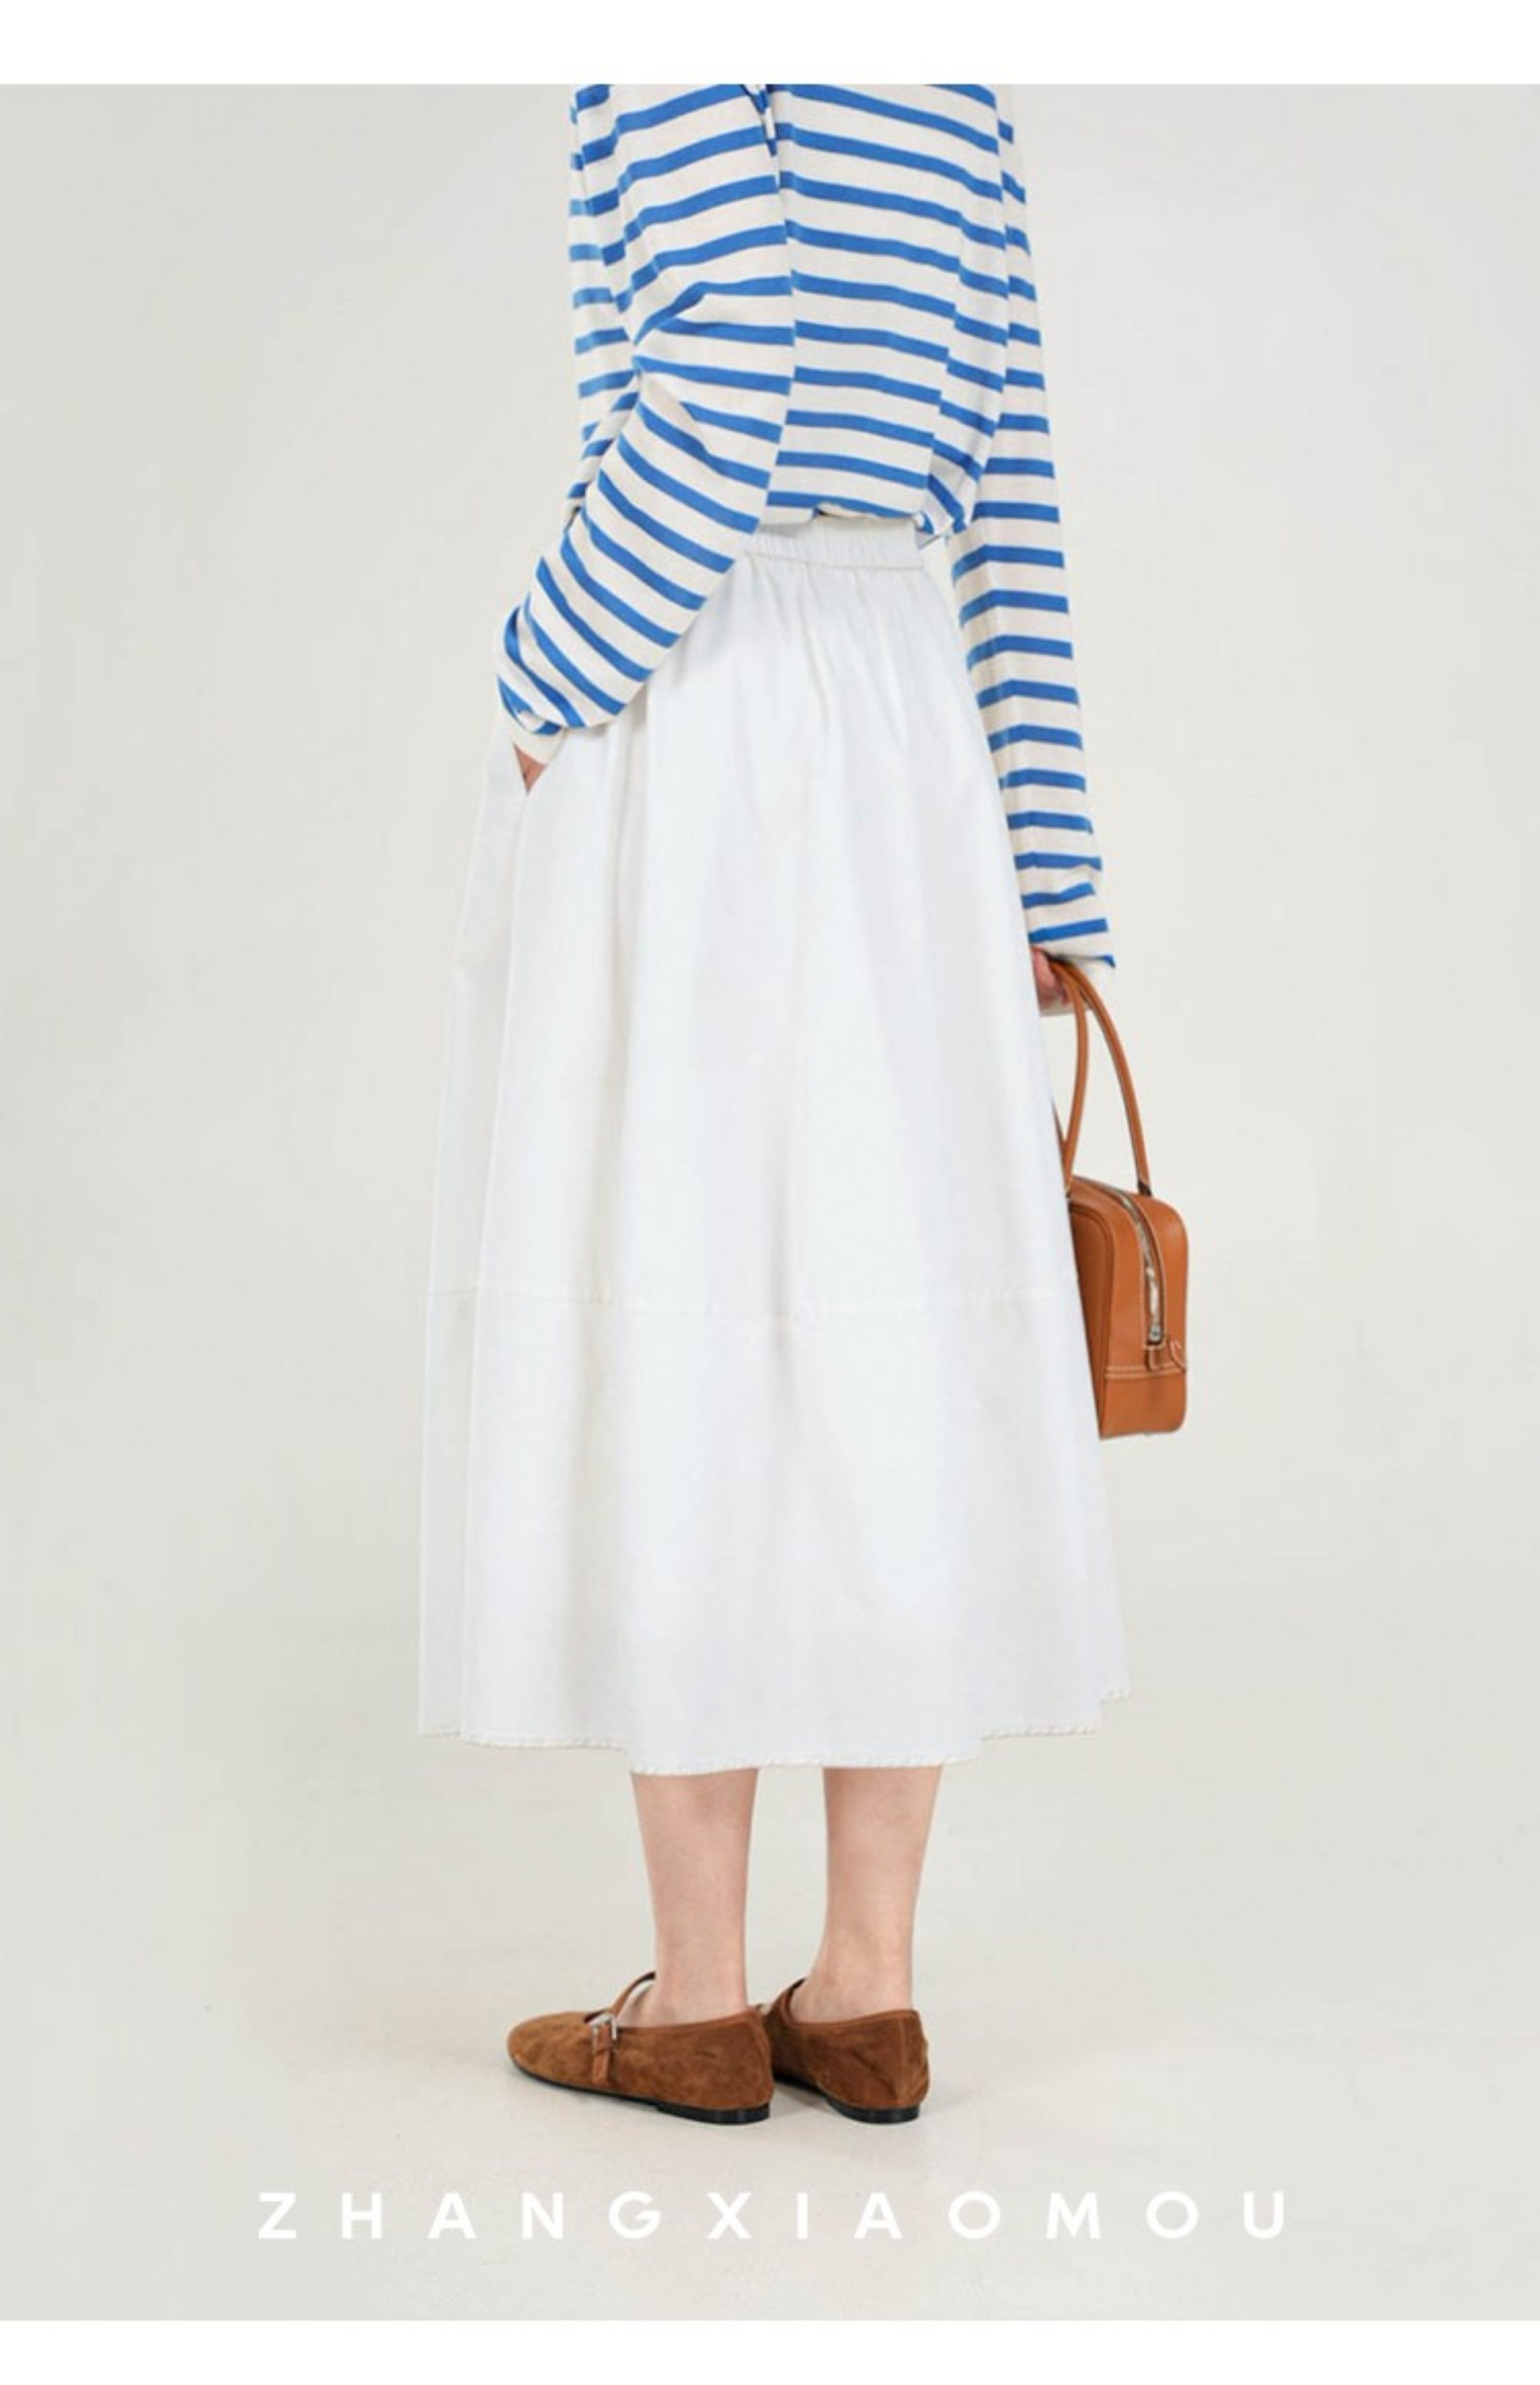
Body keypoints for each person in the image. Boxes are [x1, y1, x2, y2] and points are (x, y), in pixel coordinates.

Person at [418, 82, 1131, 2127]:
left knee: (689, 1304)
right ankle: (872, 1991)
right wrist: (1051, 878)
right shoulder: (961, 90)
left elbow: (722, 388)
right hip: (912, 729)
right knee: (892, 1324)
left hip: (710, 707)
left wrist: (545, 674)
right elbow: (1011, 493)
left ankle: (707, 1998)